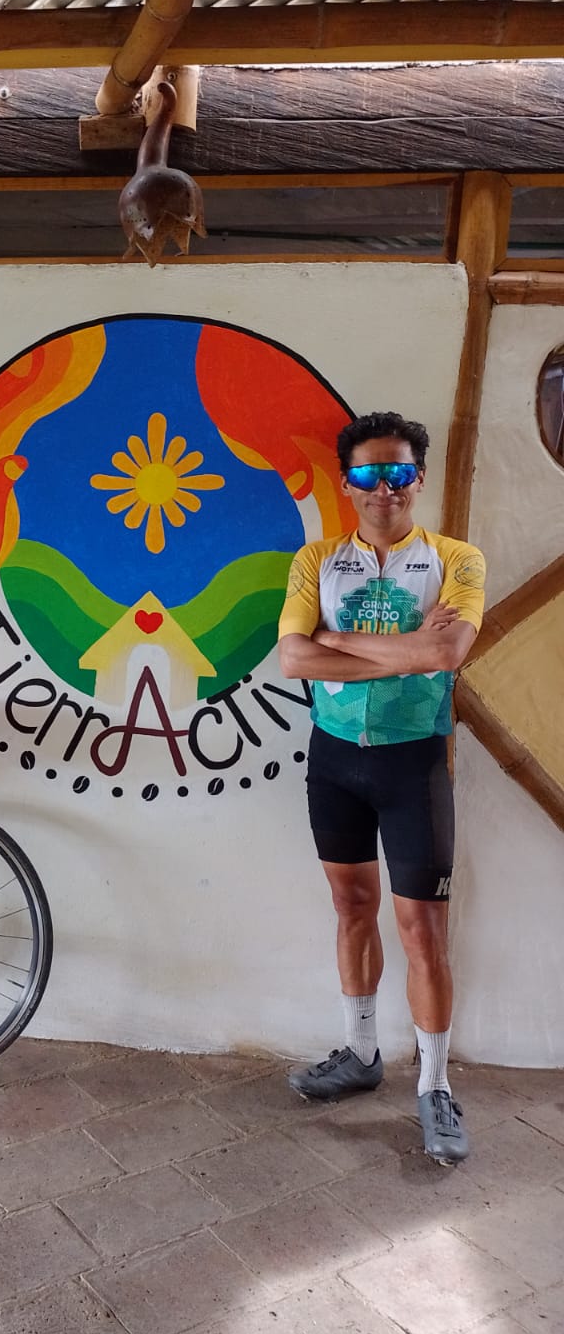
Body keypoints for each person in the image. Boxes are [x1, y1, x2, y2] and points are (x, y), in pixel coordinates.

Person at [276, 410, 485, 1164]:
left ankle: (434, 1087)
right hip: (334, 759)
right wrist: (407, 649)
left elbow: (448, 653)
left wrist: (337, 639)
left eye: (398, 472)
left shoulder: (458, 560)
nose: (383, 488)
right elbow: (293, 660)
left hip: (412, 762)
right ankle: (361, 1054)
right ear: (347, 483)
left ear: (417, 479)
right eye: (368, 473)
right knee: (351, 907)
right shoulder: (317, 561)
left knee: (423, 929)